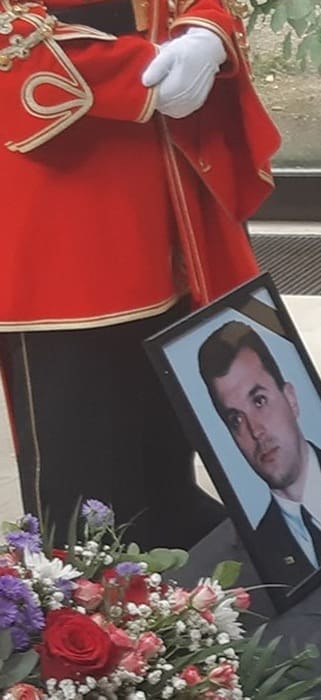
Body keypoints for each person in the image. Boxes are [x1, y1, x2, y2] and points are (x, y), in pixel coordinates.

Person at [0, 0, 280, 548]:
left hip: (166, 186)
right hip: (59, 205)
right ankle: (101, 588)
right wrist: (137, 73)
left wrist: (206, 30)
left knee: (169, 426)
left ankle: (176, 549)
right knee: (85, 470)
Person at [198, 321, 321, 587]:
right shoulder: (261, 547)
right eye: (236, 419)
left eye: (259, 400)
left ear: (291, 399)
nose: (256, 431)